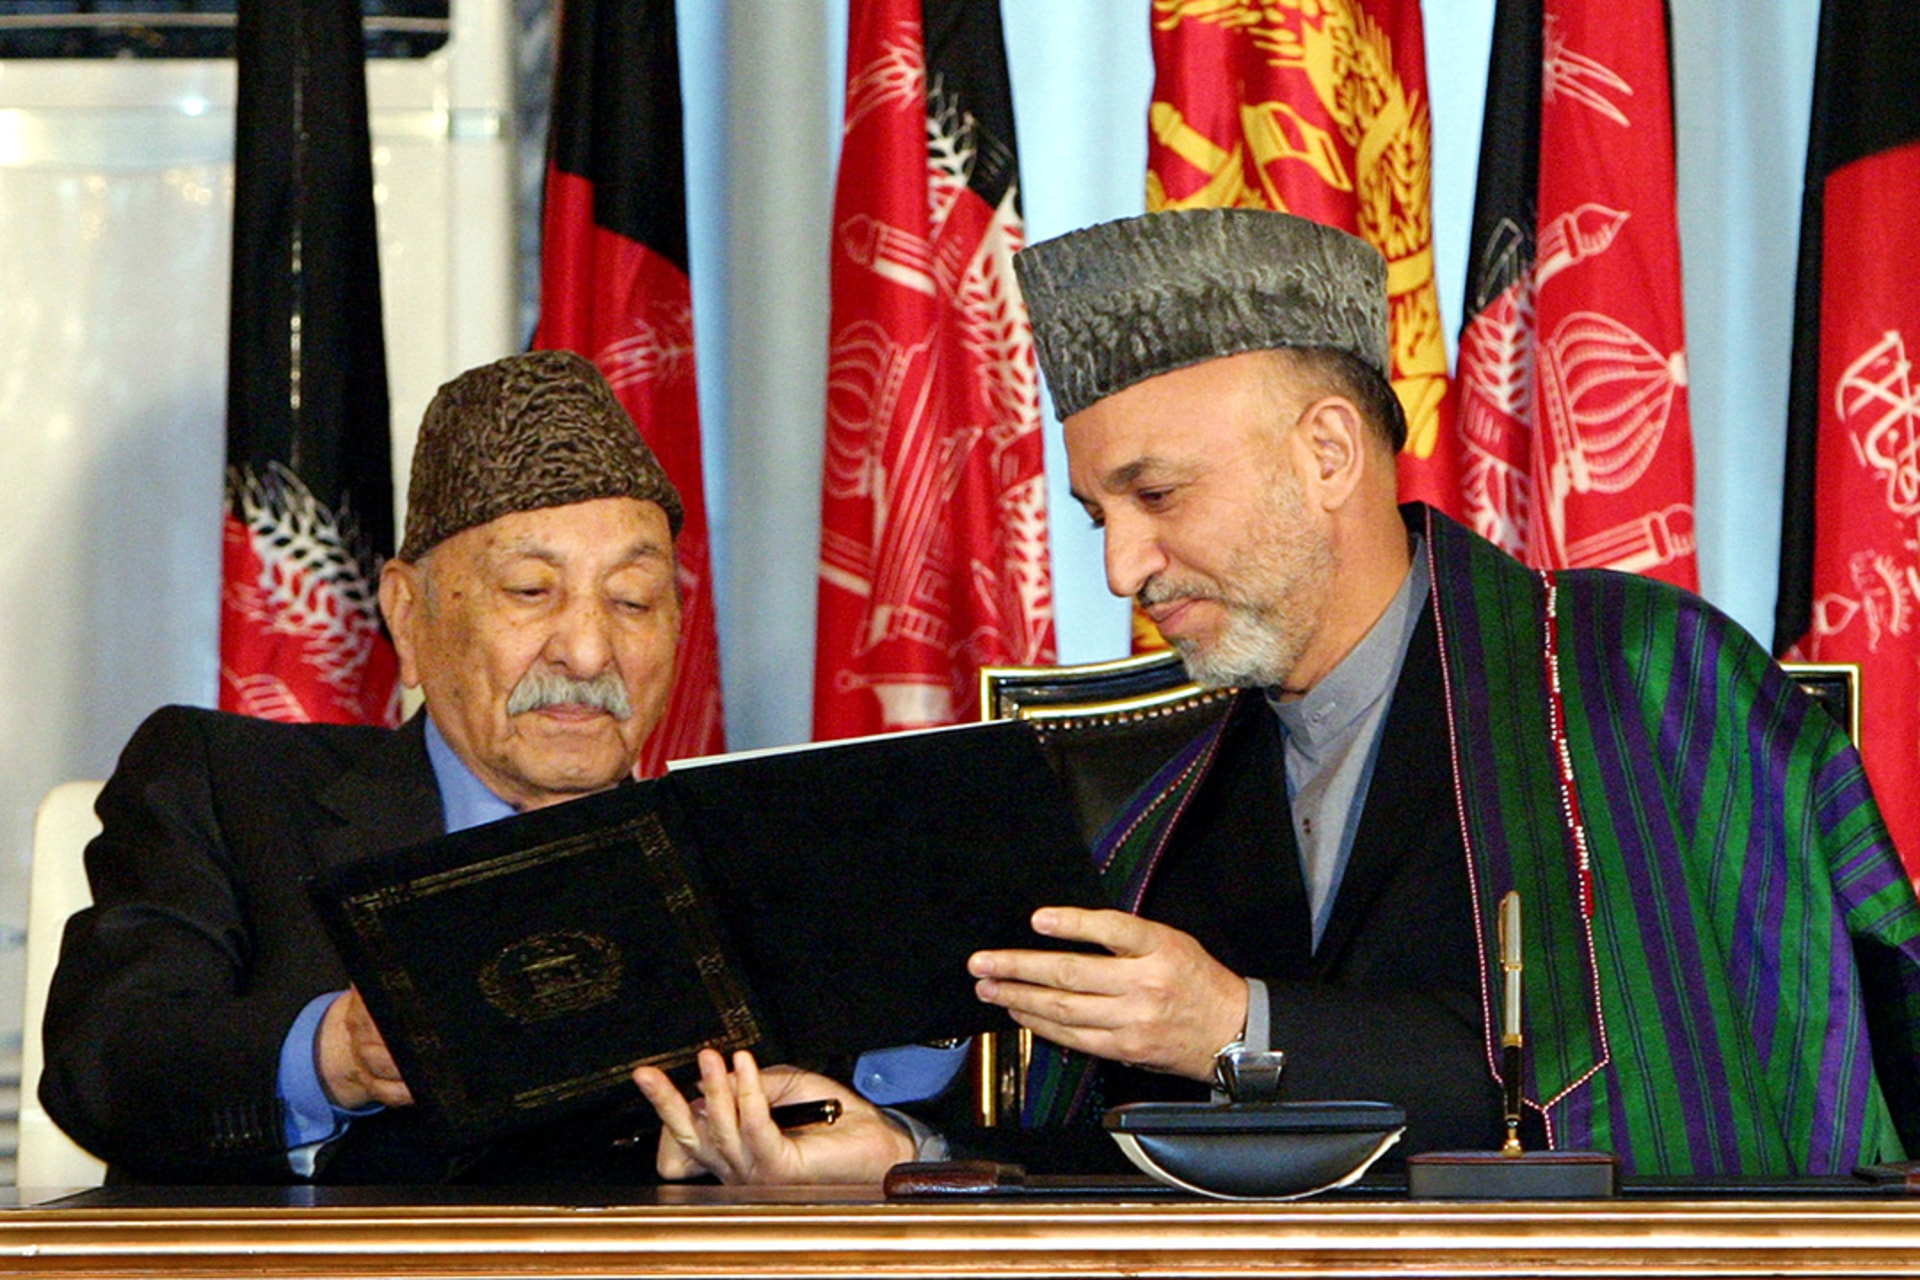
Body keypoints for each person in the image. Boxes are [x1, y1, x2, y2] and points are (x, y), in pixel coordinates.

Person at [641, 209, 1920, 1183]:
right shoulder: (1157, 808)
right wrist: (903, 1152)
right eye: (1095, 515)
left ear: (1327, 452)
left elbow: (1674, 1082)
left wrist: (1233, 1025)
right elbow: (1123, 1169)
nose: (1121, 568)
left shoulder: (1631, 678)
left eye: (1156, 495)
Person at [39, 350, 930, 1184]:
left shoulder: (760, 852)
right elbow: (105, 1060)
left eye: (633, 599)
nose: (588, 651)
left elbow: (915, 1107)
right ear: (407, 614)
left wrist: (900, 1147)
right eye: (531, 591)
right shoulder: (229, 786)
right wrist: (336, 1055)